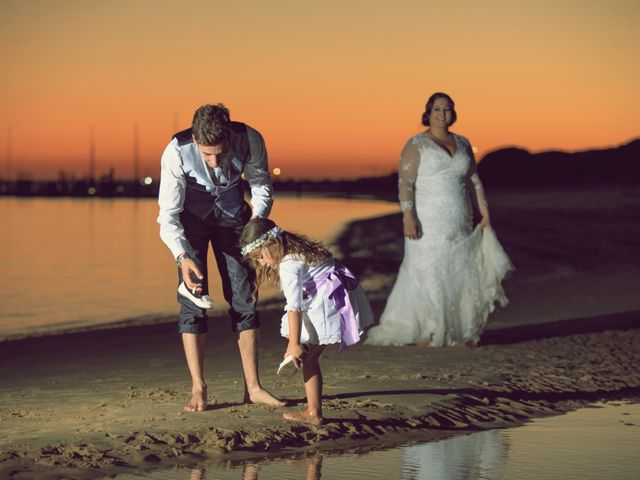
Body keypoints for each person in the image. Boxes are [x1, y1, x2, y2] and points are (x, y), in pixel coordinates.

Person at [158, 103, 284, 411]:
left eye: (221, 153)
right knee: (193, 301)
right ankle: (198, 388)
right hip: (192, 223)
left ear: (229, 136)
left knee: (244, 299)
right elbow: (168, 215)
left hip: (235, 221)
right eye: (206, 155)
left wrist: (256, 227)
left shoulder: (250, 139)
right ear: (195, 142)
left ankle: (252, 388)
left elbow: (260, 186)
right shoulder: (176, 151)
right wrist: (182, 257)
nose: (215, 162)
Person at [366, 92, 514, 346]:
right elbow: (405, 184)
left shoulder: (464, 143)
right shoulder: (416, 144)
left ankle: (458, 329)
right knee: (428, 270)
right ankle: (429, 330)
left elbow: (474, 181)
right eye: (437, 109)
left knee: (459, 270)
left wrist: (485, 213)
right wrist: (408, 216)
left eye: (447, 109)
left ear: (453, 113)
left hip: (460, 219)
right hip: (427, 222)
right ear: (428, 112)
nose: (442, 114)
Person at [239, 218, 374, 425]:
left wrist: (293, 343)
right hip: (335, 295)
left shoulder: (289, 265)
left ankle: (314, 413)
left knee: (309, 359)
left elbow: (294, 307)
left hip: (328, 303)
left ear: (271, 244)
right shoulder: (300, 249)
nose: (262, 264)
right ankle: (314, 411)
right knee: (310, 357)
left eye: (260, 257)